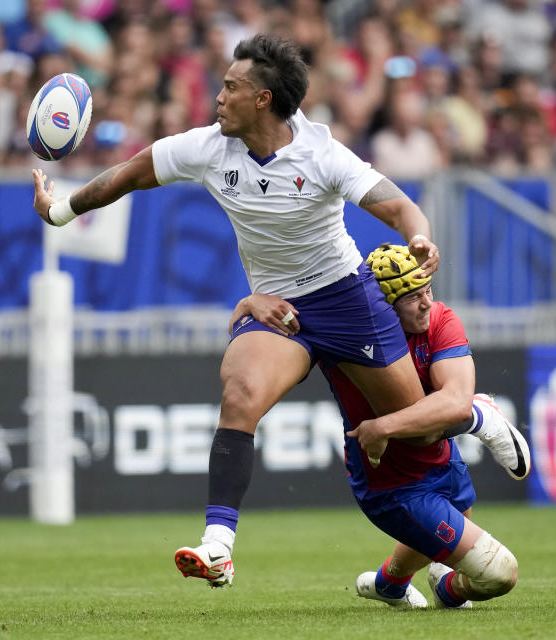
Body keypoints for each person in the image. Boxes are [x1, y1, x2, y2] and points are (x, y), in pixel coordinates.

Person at [32, 34, 440, 588]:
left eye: (230, 87)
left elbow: (398, 205)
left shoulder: (321, 153)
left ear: (263, 100)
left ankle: (476, 418)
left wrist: (419, 238)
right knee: (240, 395)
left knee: (417, 430)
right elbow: (126, 175)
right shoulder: (207, 147)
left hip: (347, 297)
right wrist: (58, 211)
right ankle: (218, 545)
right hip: (276, 308)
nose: (218, 97)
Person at [231, 243, 526, 608]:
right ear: (382, 306)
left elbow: (452, 401)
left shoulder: (441, 319)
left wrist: (384, 426)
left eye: (427, 290)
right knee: (500, 573)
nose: (425, 303)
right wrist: (248, 303)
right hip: (392, 487)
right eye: (412, 297)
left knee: (448, 427)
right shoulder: (345, 335)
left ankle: (389, 586)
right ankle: (449, 589)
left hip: (443, 460)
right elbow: (262, 322)